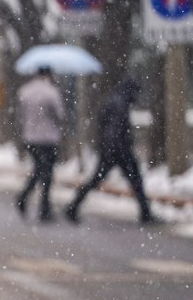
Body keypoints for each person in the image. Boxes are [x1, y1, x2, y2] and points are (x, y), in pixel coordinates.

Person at [65, 77, 158, 224]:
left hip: (111, 150)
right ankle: (146, 214)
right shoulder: (119, 104)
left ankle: (73, 207)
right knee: (135, 180)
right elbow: (113, 131)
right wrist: (119, 150)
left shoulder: (115, 100)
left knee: (99, 180)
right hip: (117, 151)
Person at [14, 65, 65, 222]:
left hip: (30, 138)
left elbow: (20, 115)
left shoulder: (24, 91)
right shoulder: (51, 92)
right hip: (48, 139)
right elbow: (60, 115)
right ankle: (43, 208)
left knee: (38, 170)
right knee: (46, 174)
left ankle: (25, 197)